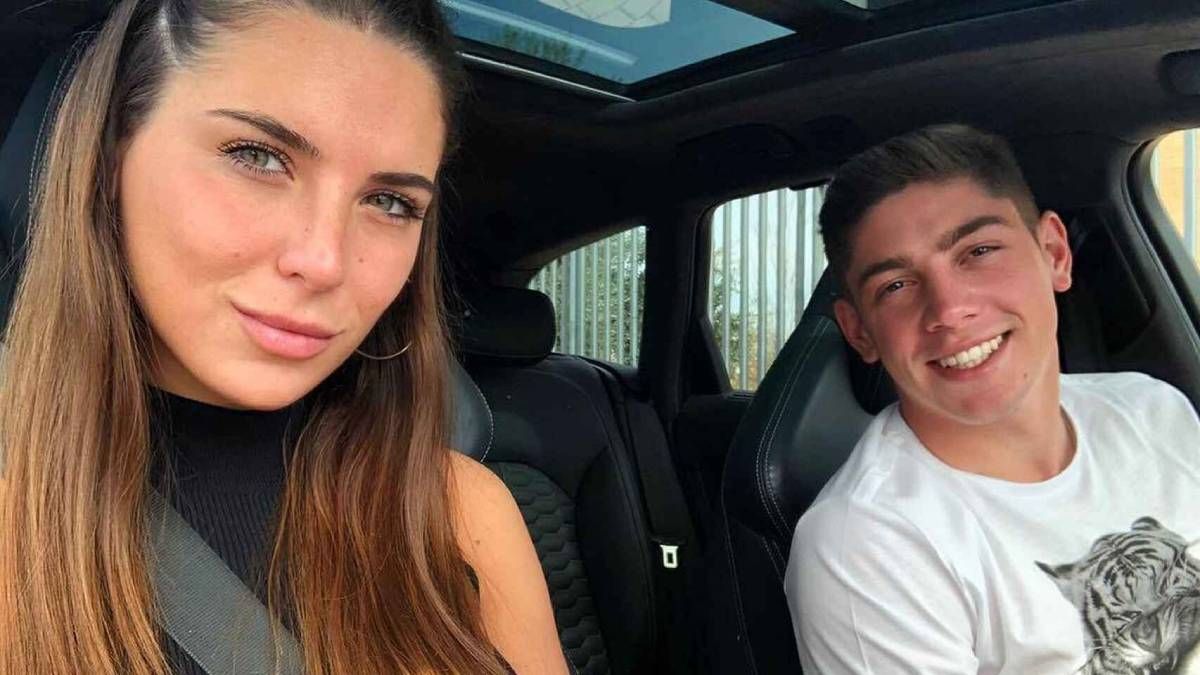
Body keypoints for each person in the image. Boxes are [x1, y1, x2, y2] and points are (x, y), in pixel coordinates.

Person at [0, 1, 567, 673]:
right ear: (108, 158)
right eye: (257, 156)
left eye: (390, 202)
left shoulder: (463, 510)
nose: (324, 261)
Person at [785, 124, 1200, 673]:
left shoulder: (1154, 411)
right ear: (860, 331)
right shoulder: (866, 543)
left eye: (978, 251)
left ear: (1054, 253)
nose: (949, 310)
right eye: (896, 286)